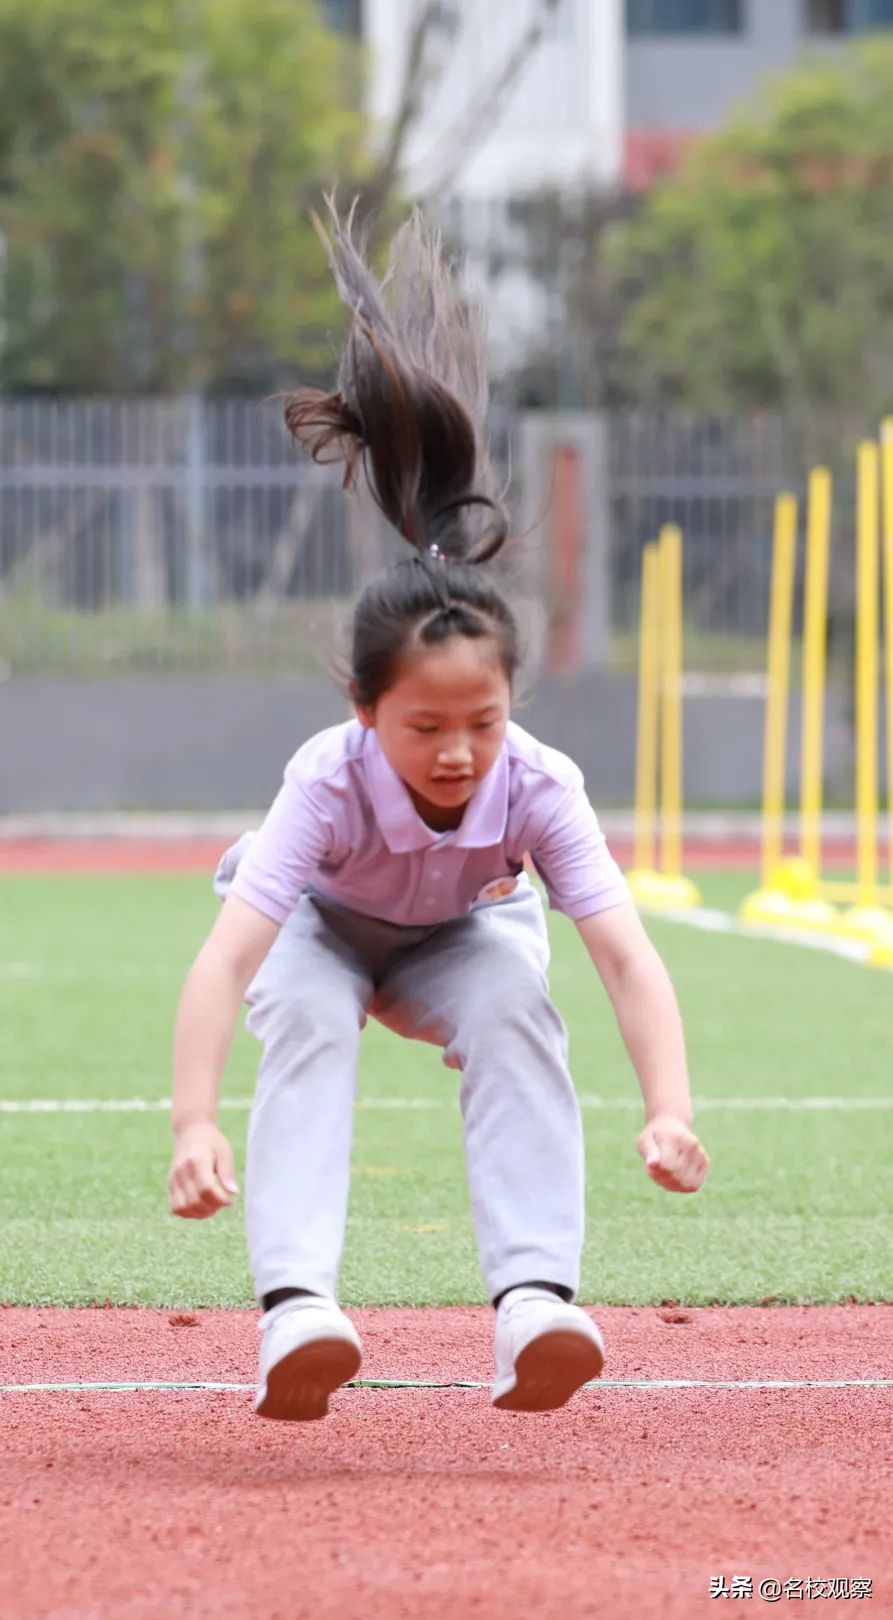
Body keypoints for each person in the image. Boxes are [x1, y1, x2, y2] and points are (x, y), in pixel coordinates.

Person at [167, 199, 709, 1422]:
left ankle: (535, 1302)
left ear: (512, 702)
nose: (458, 751)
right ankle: (296, 1312)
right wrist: (194, 1121)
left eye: (483, 720)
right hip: (322, 927)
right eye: (424, 727)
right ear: (365, 710)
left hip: (457, 936)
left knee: (517, 998)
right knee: (311, 1015)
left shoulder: (538, 784)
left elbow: (623, 956)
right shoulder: (324, 781)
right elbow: (228, 959)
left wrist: (669, 1108)